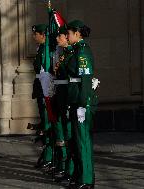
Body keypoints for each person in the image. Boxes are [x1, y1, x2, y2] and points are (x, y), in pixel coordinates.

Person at [66, 20, 97, 189]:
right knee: (78, 141)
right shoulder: (77, 50)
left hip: (82, 102)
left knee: (83, 141)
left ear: (77, 34)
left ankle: (86, 180)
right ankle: (81, 176)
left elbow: (85, 80)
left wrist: (83, 105)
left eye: (69, 33)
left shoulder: (82, 52)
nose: (67, 36)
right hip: (76, 100)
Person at [30, 24, 53, 169]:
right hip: (40, 86)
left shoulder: (45, 49)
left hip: (45, 88)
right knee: (44, 122)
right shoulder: (41, 49)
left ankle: (49, 155)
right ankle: (47, 154)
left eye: (35, 34)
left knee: (47, 123)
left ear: (43, 35)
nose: (33, 36)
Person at [53, 25, 74, 182]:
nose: (57, 39)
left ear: (67, 38)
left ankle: (70, 169)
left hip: (67, 96)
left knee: (69, 133)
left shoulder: (72, 54)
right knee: (61, 131)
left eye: (60, 36)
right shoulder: (63, 53)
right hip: (60, 95)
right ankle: (64, 166)